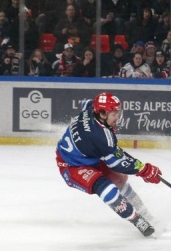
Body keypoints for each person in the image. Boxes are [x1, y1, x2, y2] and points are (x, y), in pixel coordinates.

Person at [55, 92, 162, 237]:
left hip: (91, 156)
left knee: (120, 180)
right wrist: (145, 170)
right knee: (106, 188)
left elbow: (86, 103)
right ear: (102, 113)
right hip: (72, 165)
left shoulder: (91, 108)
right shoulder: (101, 137)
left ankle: (145, 213)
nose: (117, 117)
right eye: (114, 113)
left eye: (118, 112)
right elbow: (117, 163)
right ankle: (136, 220)